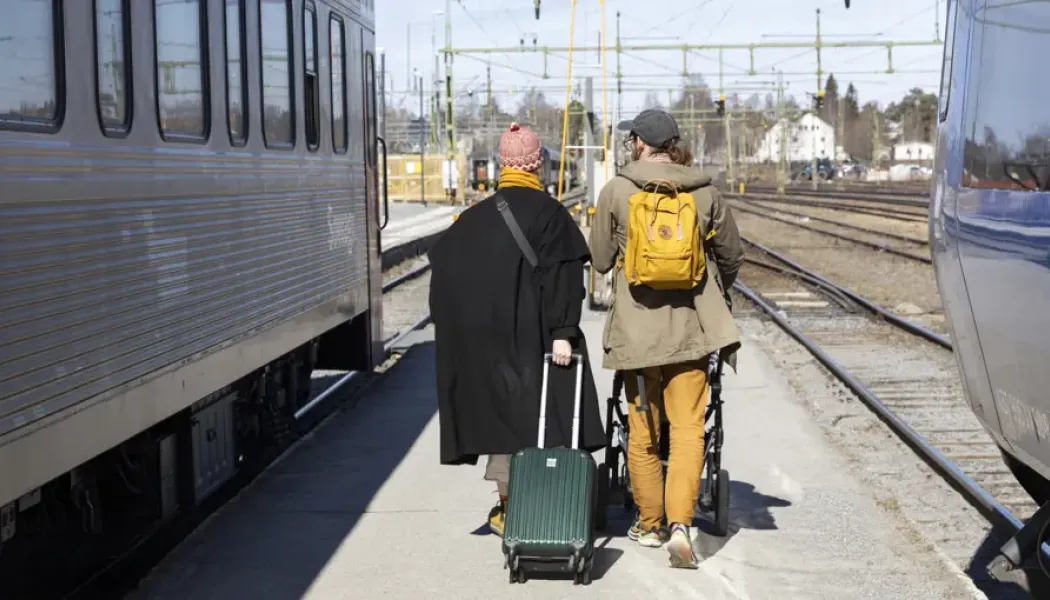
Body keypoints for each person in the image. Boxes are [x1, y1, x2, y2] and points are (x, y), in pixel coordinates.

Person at [428, 123, 606, 538]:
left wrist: (457, 329)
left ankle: (508, 506)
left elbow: (442, 275)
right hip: (538, 338)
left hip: (486, 342)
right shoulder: (550, 215)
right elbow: (565, 276)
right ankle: (550, 502)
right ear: (536, 165)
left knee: (503, 422)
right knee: (547, 418)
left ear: (503, 166)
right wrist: (564, 330)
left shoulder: (473, 218)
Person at [589, 108, 745, 568]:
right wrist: (714, 288)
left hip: (637, 337)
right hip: (692, 333)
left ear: (638, 142)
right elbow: (732, 256)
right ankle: (682, 524)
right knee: (689, 428)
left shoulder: (617, 190)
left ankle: (650, 523)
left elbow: (598, 260)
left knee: (642, 432)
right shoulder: (705, 193)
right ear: (674, 144)